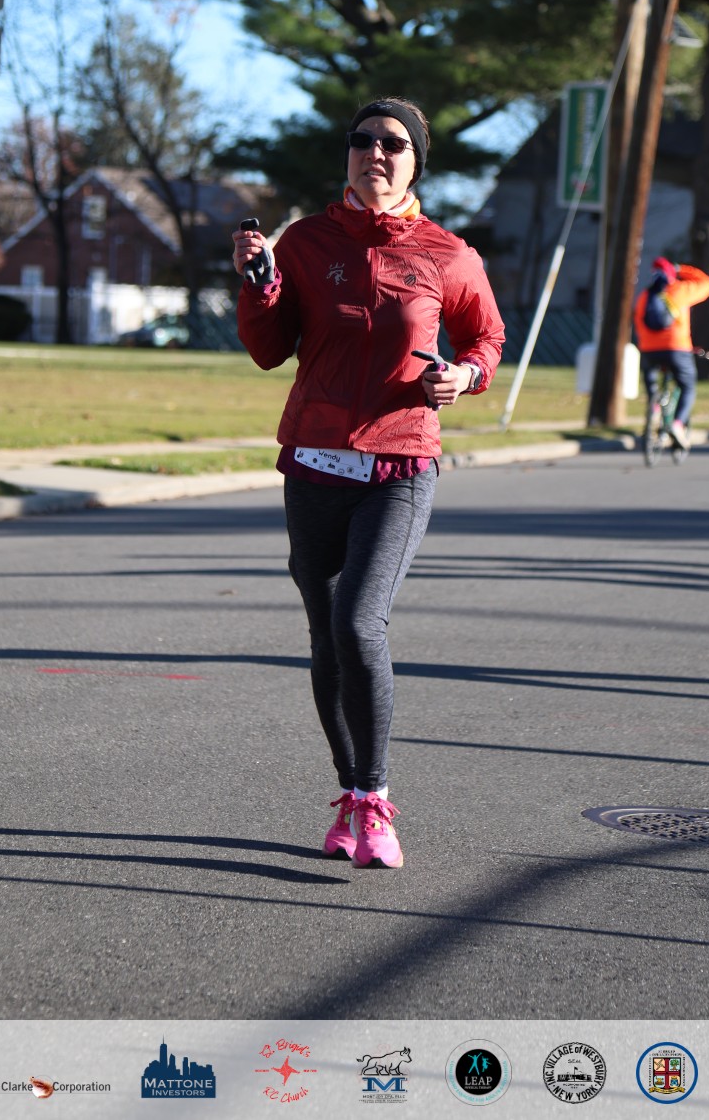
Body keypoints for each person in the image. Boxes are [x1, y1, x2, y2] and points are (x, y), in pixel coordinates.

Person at [232, 97, 504, 870]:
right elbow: (268, 350)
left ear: (416, 163)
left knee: (358, 623)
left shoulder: (448, 253)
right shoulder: (306, 241)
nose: (374, 153)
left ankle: (376, 797)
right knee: (326, 637)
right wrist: (259, 285)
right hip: (314, 462)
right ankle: (350, 795)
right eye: (362, 140)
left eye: (393, 143)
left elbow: (486, 336)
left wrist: (466, 375)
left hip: (400, 465)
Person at [633, 256, 709, 448]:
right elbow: (708, 284)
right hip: (677, 348)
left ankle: (654, 409)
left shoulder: (645, 296)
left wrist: (645, 344)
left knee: (652, 382)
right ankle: (677, 425)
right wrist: (681, 269)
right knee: (688, 385)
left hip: (649, 349)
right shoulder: (680, 290)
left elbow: (637, 320)